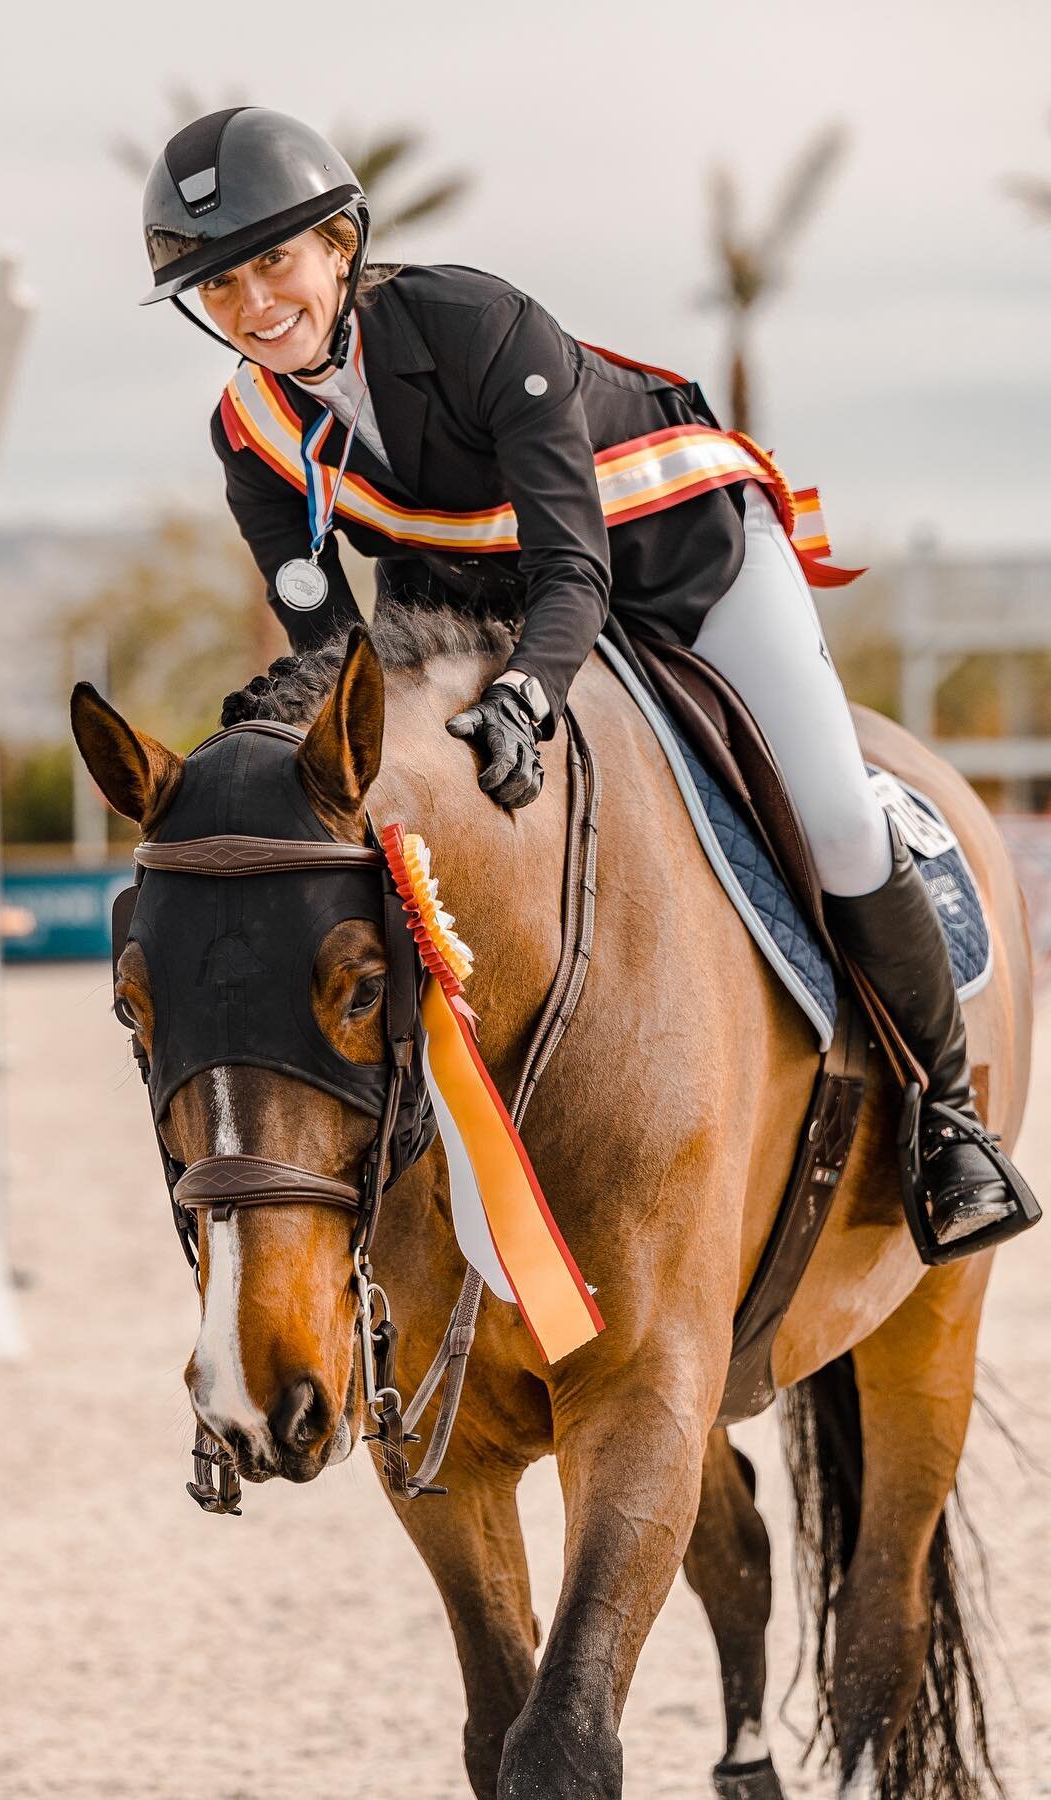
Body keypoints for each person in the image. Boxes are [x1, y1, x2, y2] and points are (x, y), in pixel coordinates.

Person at [136, 105, 1033, 1256]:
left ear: (341, 246)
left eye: (274, 261)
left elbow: (576, 569)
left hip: (686, 565)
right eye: (221, 288)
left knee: (840, 822)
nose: (257, 306)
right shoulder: (250, 433)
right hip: (490, 600)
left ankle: (945, 1122)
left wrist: (527, 696)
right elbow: (332, 642)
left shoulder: (478, 327)